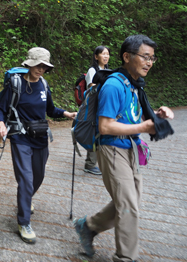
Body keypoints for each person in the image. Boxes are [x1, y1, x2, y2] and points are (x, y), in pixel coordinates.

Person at [73, 35, 174, 261]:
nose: (149, 62)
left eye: (152, 58)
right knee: (128, 207)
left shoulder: (134, 85)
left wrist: (156, 116)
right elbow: (105, 126)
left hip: (130, 148)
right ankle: (125, 257)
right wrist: (144, 127)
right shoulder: (114, 85)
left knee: (130, 203)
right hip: (111, 149)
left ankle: (88, 226)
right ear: (127, 57)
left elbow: (129, 117)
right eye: (145, 57)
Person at [0, 47, 77, 244]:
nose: (41, 69)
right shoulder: (16, 84)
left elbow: (50, 109)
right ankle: (24, 222)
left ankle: (26, 198)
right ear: (29, 64)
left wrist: (66, 113)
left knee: (38, 176)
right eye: (38, 65)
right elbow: (0, 107)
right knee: (26, 178)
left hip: (40, 137)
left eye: (44, 66)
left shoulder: (44, 85)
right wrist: (0, 124)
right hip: (20, 137)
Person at [83, 46, 111, 175]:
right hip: (94, 106)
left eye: (107, 54)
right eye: (103, 54)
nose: (106, 56)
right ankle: (89, 164)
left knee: (103, 132)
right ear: (96, 57)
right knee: (95, 132)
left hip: (105, 105)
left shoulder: (108, 71)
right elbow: (91, 88)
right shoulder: (92, 70)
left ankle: (101, 162)